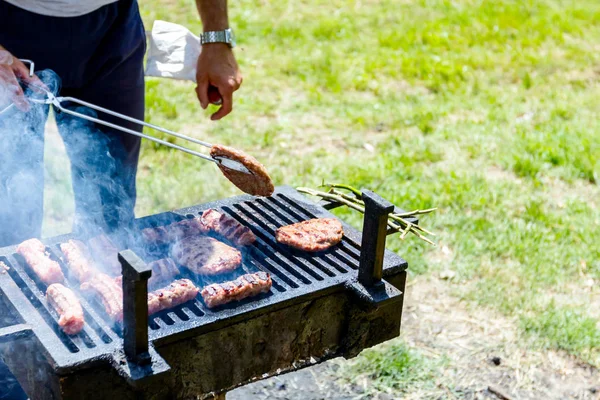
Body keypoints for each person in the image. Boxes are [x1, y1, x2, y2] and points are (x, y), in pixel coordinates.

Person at [0, 0, 243, 246]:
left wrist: (216, 41)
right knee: (8, 214)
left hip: (112, 31)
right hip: (9, 26)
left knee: (111, 213)